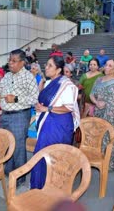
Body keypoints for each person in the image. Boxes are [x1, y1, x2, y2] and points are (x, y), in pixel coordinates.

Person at [0, 49, 39, 186]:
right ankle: (8, 172)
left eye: (14, 61)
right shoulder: (7, 76)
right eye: (9, 60)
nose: (10, 63)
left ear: (22, 62)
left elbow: (34, 98)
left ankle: (20, 177)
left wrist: (16, 99)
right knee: (7, 144)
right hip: (5, 115)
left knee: (19, 146)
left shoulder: (28, 77)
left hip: (19, 115)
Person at [30, 56, 80, 189]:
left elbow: (68, 107)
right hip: (48, 121)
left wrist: (47, 108)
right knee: (43, 153)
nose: (46, 67)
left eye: (50, 66)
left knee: (53, 155)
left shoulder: (66, 85)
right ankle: (40, 187)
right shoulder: (48, 83)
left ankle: (54, 186)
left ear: (58, 70)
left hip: (59, 124)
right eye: (46, 65)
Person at [90, 59, 114, 170]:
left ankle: (108, 163)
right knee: (98, 137)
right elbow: (92, 94)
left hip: (113, 116)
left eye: (110, 65)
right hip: (99, 114)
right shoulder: (98, 80)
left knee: (110, 138)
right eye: (106, 65)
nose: (106, 67)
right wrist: (97, 102)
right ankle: (97, 160)